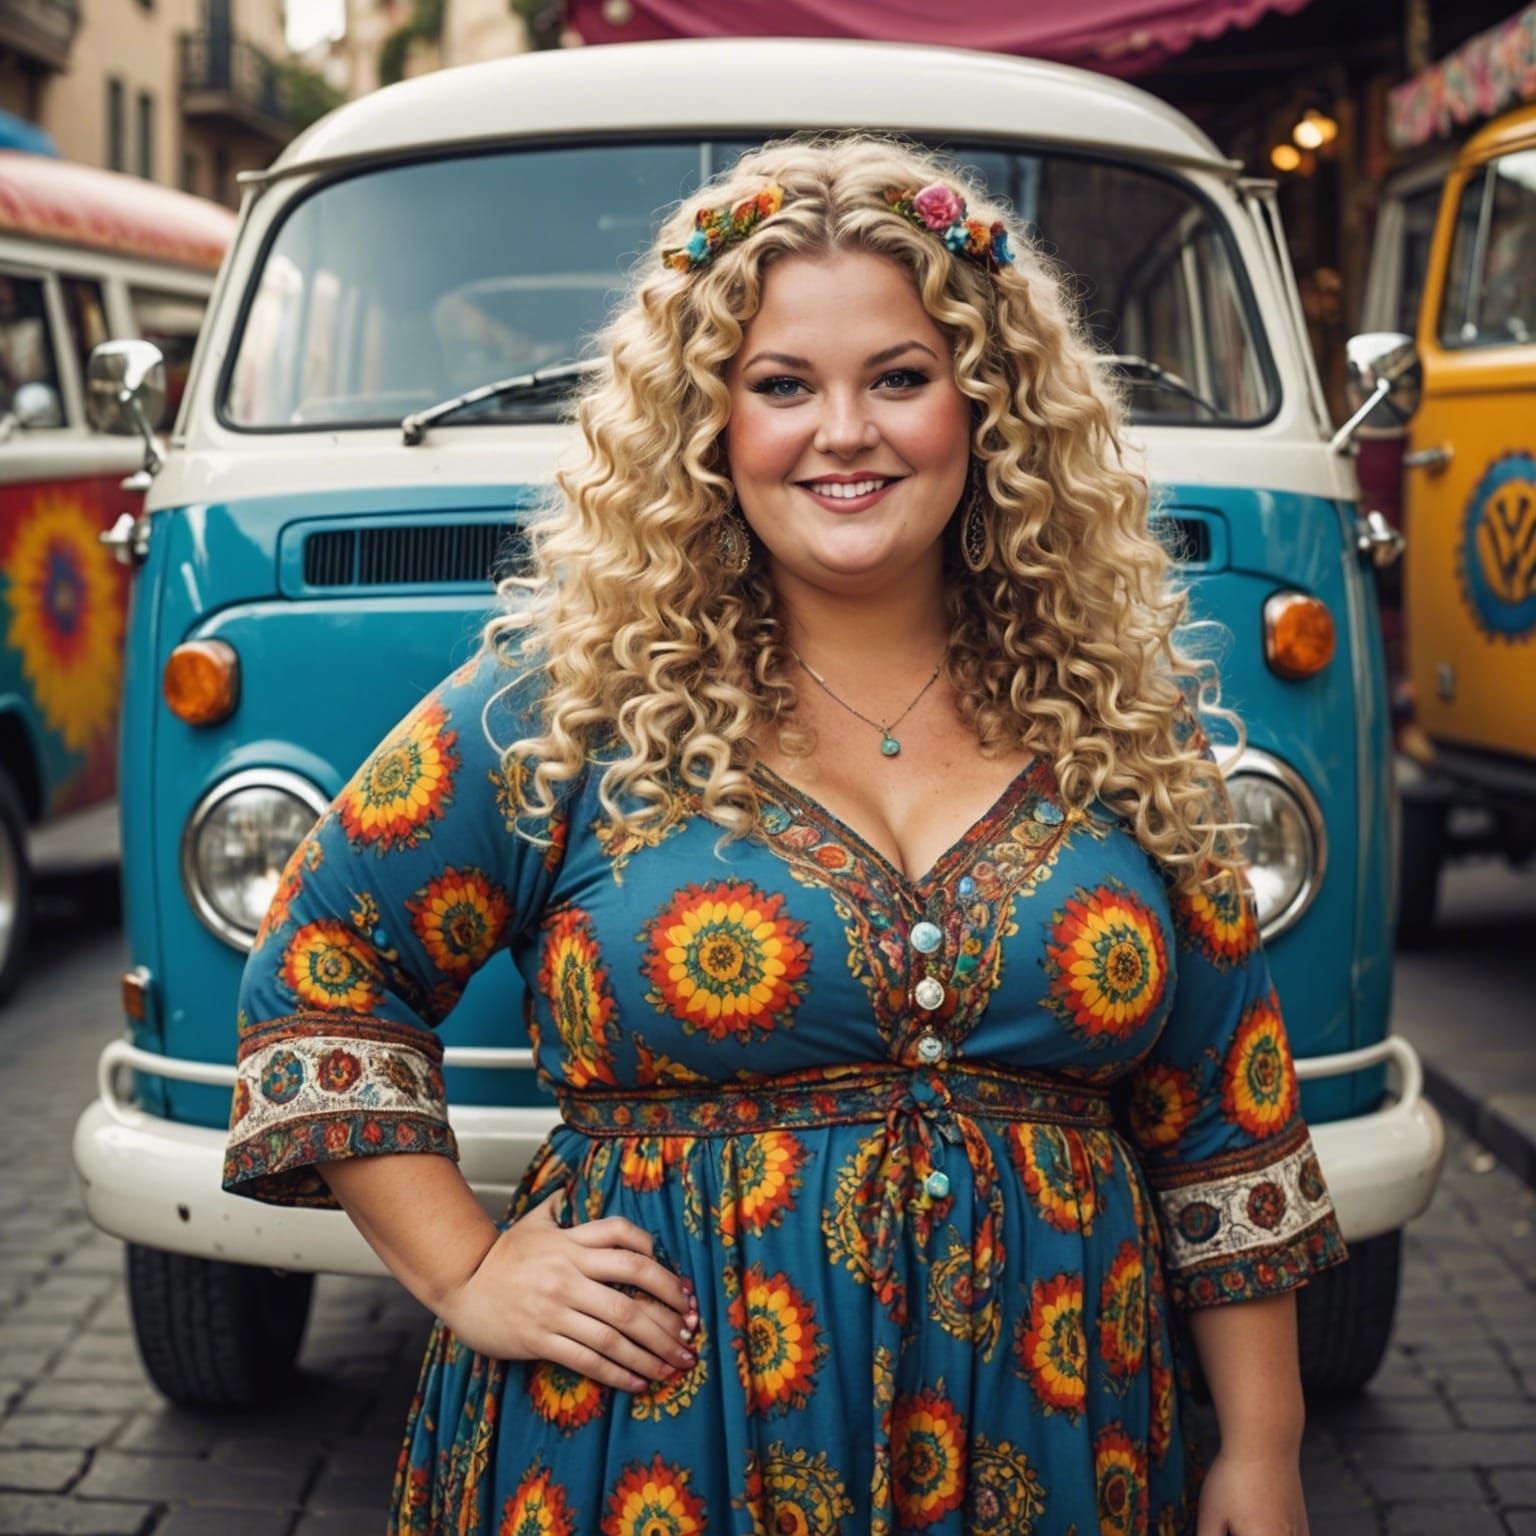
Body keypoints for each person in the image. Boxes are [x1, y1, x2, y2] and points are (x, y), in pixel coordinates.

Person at [222, 134, 1348, 1536]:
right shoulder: (567, 700)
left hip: (1060, 1441)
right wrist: (463, 1271)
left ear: (987, 407)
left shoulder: (1120, 716)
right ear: (707, 422)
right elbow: (329, 951)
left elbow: (1224, 1105)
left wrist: (1264, 1444)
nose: (844, 431)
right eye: (780, 386)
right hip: (652, 1450)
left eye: (900, 377)